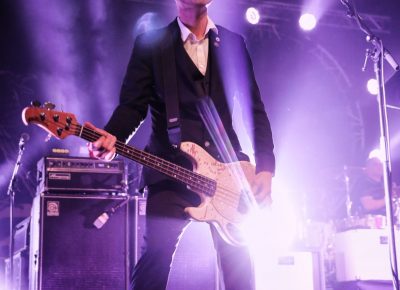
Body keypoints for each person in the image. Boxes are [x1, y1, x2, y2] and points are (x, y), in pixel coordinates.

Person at [88, 1, 275, 289]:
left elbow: (254, 109)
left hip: (229, 175)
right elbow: (132, 106)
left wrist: (265, 168)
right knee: (156, 259)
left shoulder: (233, 44)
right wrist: (112, 135)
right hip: (171, 170)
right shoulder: (152, 46)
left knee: (239, 265)